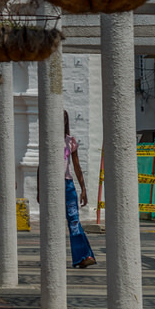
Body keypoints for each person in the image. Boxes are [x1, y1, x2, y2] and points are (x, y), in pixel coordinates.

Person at [64, 111, 96, 268]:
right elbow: (40, 165)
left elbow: (76, 166)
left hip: (68, 185)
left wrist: (83, 188)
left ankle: (84, 256)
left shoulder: (70, 141)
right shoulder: (47, 139)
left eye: (63, 120)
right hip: (52, 186)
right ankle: (83, 255)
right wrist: (39, 188)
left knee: (74, 221)